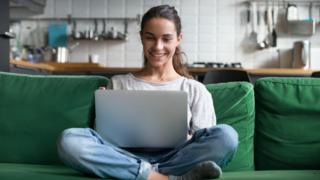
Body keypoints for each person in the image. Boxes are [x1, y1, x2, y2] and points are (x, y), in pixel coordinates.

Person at [57, 5, 238, 180]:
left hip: (175, 159)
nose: (158, 46)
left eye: (166, 39)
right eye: (150, 37)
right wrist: (103, 107)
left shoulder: (195, 89)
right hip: (124, 156)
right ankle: (164, 178)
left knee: (227, 136)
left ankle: (139, 174)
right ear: (142, 37)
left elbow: (201, 141)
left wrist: (183, 136)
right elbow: (104, 141)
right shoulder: (118, 83)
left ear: (179, 39)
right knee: (70, 140)